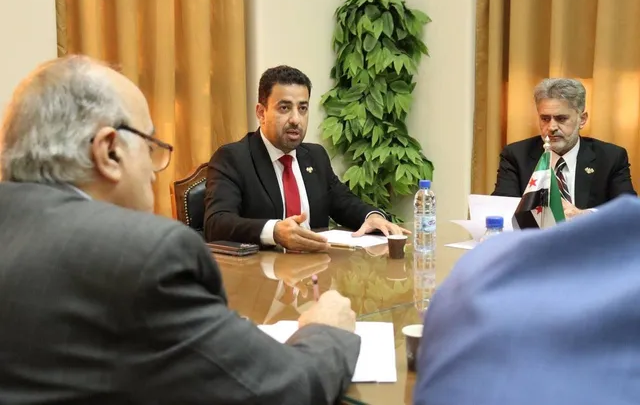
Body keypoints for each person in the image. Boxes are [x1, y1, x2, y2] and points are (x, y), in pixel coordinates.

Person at [0, 55, 361, 405]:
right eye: (150, 145)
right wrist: (327, 330)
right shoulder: (146, 255)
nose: (154, 168)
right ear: (109, 152)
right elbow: (286, 388)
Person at [414, 195, 640, 405]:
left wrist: (586, 215)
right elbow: (502, 203)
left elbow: (624, 202)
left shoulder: (471, 277)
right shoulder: (476, 280)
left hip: (593, 262)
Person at [204, 65, 409, 251]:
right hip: (263, 274)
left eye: (302, 108)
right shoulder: (233, 158)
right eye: (284, 108)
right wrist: (274, 231)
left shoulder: (315, 156)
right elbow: (217, 223)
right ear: (261, 113)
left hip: (316, 271)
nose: (296, 119)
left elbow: (344, 202)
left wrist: (372, 216)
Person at [492, 78, 636, 217]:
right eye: (545, 119)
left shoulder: (610, 157)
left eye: (561, 119)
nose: (552, 127)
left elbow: (629, 212)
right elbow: (501, 208)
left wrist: (584, 215)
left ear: (582, 119)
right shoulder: (516, 155)